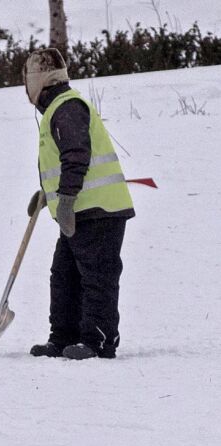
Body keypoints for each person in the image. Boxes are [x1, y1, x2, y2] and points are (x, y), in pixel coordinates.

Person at [23, 48, 135, 360]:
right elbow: (63, 162)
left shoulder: (67, 107)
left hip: (100, 209)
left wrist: (67, 199)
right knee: (64, 275)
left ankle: (98, 340)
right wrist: (48, 193)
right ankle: (63, 337)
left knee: (96, 277)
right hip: (78, 211)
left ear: (37, 81)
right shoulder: (58, 109)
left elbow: (76, 156)